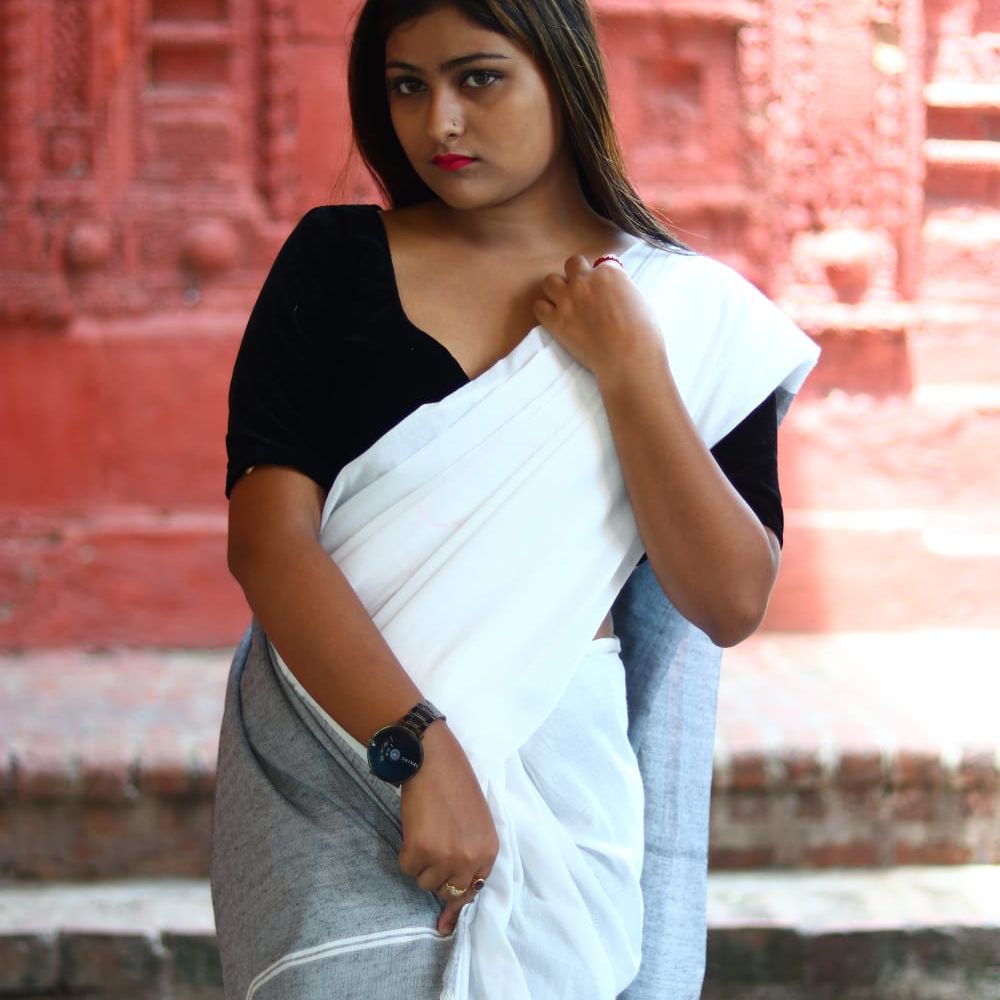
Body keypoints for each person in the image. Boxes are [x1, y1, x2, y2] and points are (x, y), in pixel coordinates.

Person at [210, 1, 819, 998]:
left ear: (563, 74)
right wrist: (419, 749)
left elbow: (727, 599)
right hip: (334, 748)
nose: (439, 121)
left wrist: (630, 368)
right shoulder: (335, 261)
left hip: (558, 770)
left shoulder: (690, 314)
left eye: (478, 78)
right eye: (407, 86)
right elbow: (269, 543)